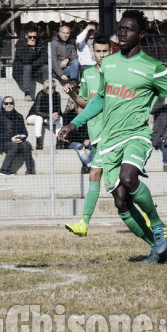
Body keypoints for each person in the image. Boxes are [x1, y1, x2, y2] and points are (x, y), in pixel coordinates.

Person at [59, 10, 167, 263]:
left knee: (128, 177)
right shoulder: (109, 63)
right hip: (109, 139)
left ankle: (158, 226)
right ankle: (156, 247)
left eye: (129, 29)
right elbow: (100, 100)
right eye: (120, 28)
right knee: (120, 202)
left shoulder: (153, 67)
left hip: (136, 135)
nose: (123, 32)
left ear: (141, 34)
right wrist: (74, 124)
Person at [61, 35, 113, 236]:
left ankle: (84, 223)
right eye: (98, 51)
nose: (101, 55)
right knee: (116, 181)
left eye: (105, 51)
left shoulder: (115, 73)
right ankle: (147, 208)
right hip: (96, 134)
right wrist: (72, 95)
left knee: (97, 174)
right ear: (93, 52)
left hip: (111, 133)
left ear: (110, 51)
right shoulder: (88, 74)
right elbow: (85, 103)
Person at [0, 96, 35, 175]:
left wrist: (20, 138)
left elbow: (25, 133)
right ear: (3, 105)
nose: (9, 105)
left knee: (27, 145)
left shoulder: (19, 116)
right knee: (14, 146)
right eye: (6, 103)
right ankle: (4, 170)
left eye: (11, 103)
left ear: (14, 104)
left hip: (18, 140)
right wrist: (11, 139)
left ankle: (30, 171)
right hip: (4, 141)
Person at [12, 26, 48, 101]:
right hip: (21, 71)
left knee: (46, 67)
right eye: (30, 37)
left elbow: (44, 59)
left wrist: (32, 63)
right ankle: (27, 93)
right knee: (27, 66)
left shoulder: (41, 43)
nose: (32, 39)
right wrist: (32, 49)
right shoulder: (20, 44)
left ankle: (47, 91)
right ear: (26, 35)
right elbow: (25, 60)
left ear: (37, 35)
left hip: (34, 69)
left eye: (34, 37)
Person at [26, 79, 63, 150]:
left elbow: (59, 110)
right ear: (45, 88)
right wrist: (50, 115)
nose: (51, 89)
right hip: (33, 116)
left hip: (47, 118)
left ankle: (59, 140)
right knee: (39, 118)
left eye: (53, 88)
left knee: (60, 118)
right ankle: (38, 141)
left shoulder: (57, 95)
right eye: (49, 88)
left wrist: (57, 114)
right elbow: (37, 111)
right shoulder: (41, 94)